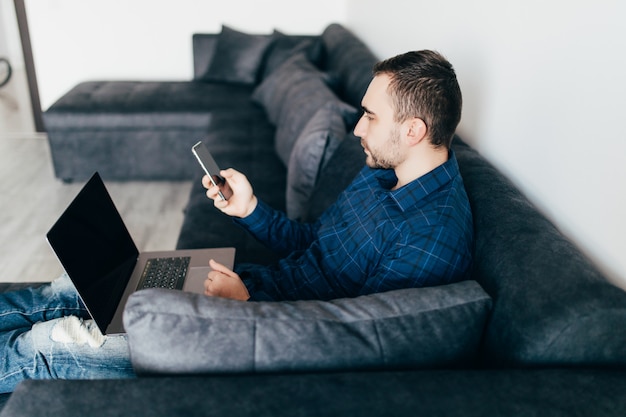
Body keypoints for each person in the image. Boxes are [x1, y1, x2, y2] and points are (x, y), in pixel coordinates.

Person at [0, 50, 473, 393]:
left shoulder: (430, 236)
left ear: (413, 130)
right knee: (73, 287)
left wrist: (246, 308)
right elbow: (314, 244)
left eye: (369, 116)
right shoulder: (383, 175)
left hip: (252, 335)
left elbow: (352, 341)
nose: (357, 128)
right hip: (249, 292)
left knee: (49, 342)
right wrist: (249, 209)